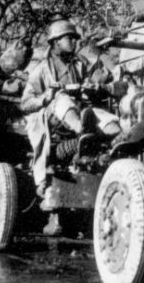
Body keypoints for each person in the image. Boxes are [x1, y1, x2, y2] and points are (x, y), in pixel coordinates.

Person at [21, 20, 120, 224]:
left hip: (82, 110)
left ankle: (118, 140)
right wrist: (45, 97)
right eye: (69, 38)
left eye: (75, 38)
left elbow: (101, 79)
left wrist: (95, 85)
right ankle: (83, 132)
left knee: (105, 117)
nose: (74, 42)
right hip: (53, 115)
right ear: (56, 41)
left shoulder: (81, 64)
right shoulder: (41, 69)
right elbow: (26, 103)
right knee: (62, 100)